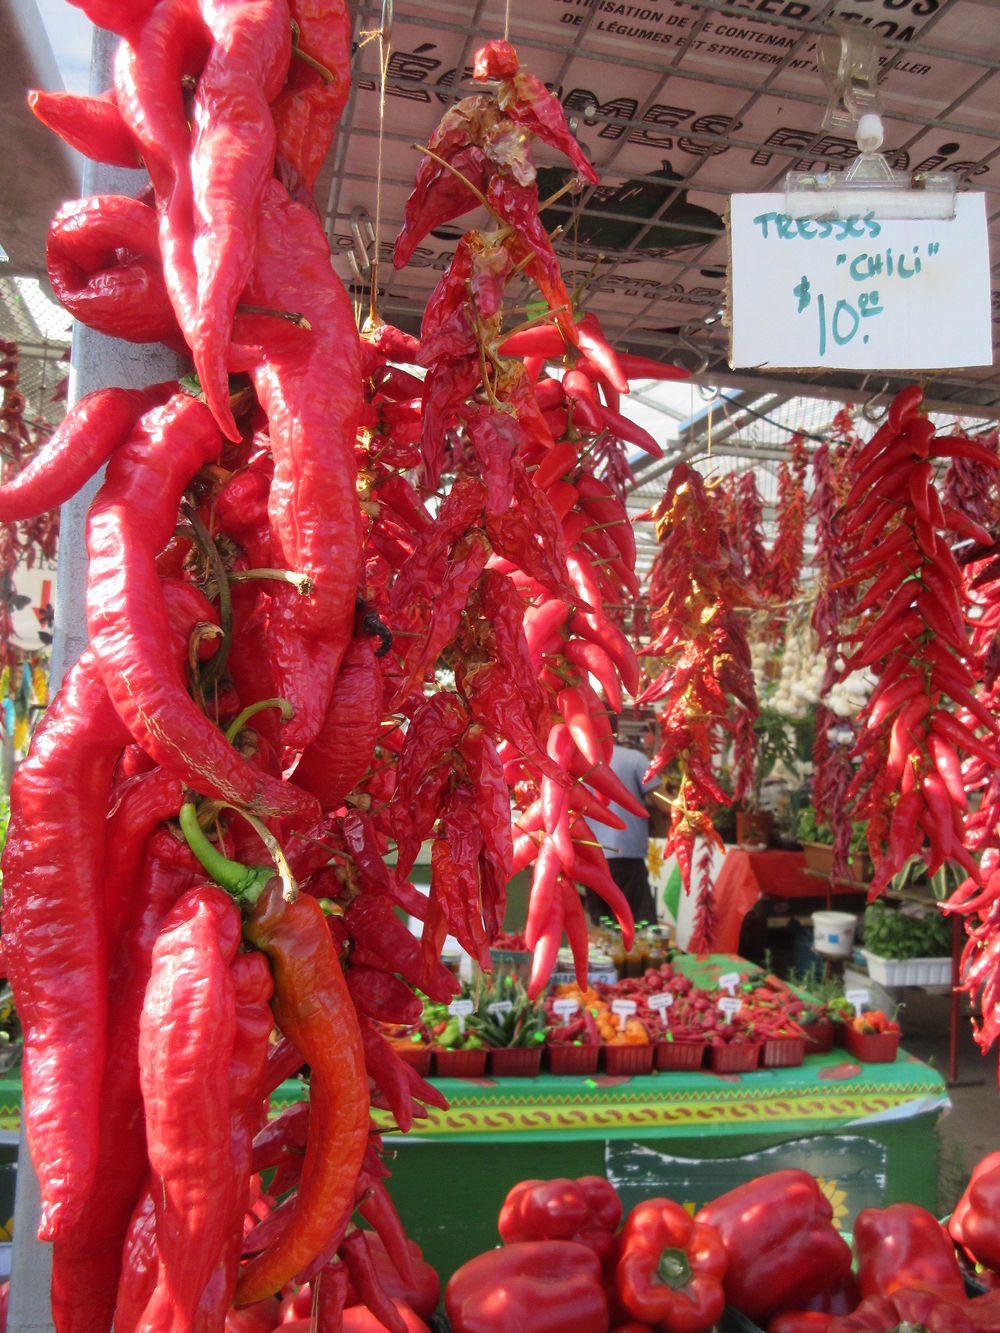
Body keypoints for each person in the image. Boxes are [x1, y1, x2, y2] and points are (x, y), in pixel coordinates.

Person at [584, 722, 660, 929]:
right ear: (616, 731)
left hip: (590, 859)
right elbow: (662, 800)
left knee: (603, 928)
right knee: (637, 926)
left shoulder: (579, 762)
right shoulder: (636, 760)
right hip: (626, 857)